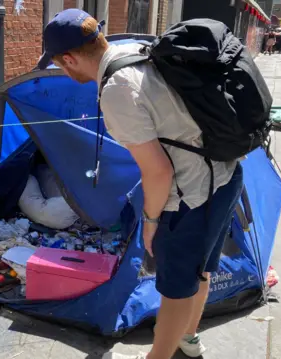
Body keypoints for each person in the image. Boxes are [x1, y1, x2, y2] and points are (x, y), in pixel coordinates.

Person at [37, 9, 244, 359]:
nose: (63, 70)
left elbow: (159, 172)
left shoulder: (116, 90)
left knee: (176, 288)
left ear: (69, 58)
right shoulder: (135, 50)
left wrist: (150, 222)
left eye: (59, 65)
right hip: (225, 175)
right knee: (201, 270)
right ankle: (188, 339)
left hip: (191, 197)